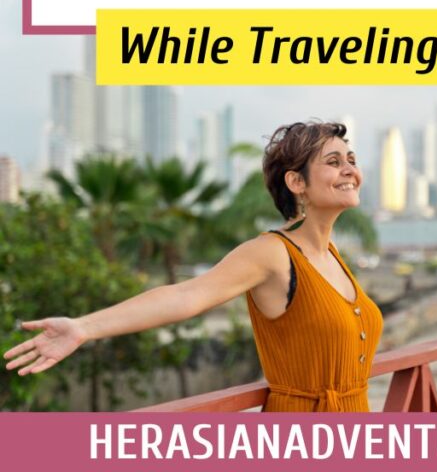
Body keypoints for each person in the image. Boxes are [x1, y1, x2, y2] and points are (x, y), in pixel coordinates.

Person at [3, 121, 382, 413]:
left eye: (351, 160)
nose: (349, 169)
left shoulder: (332, 254)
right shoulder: (272, 253)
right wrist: (83, 327)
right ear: (296, 182)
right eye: (333, 162)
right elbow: (186, 295)